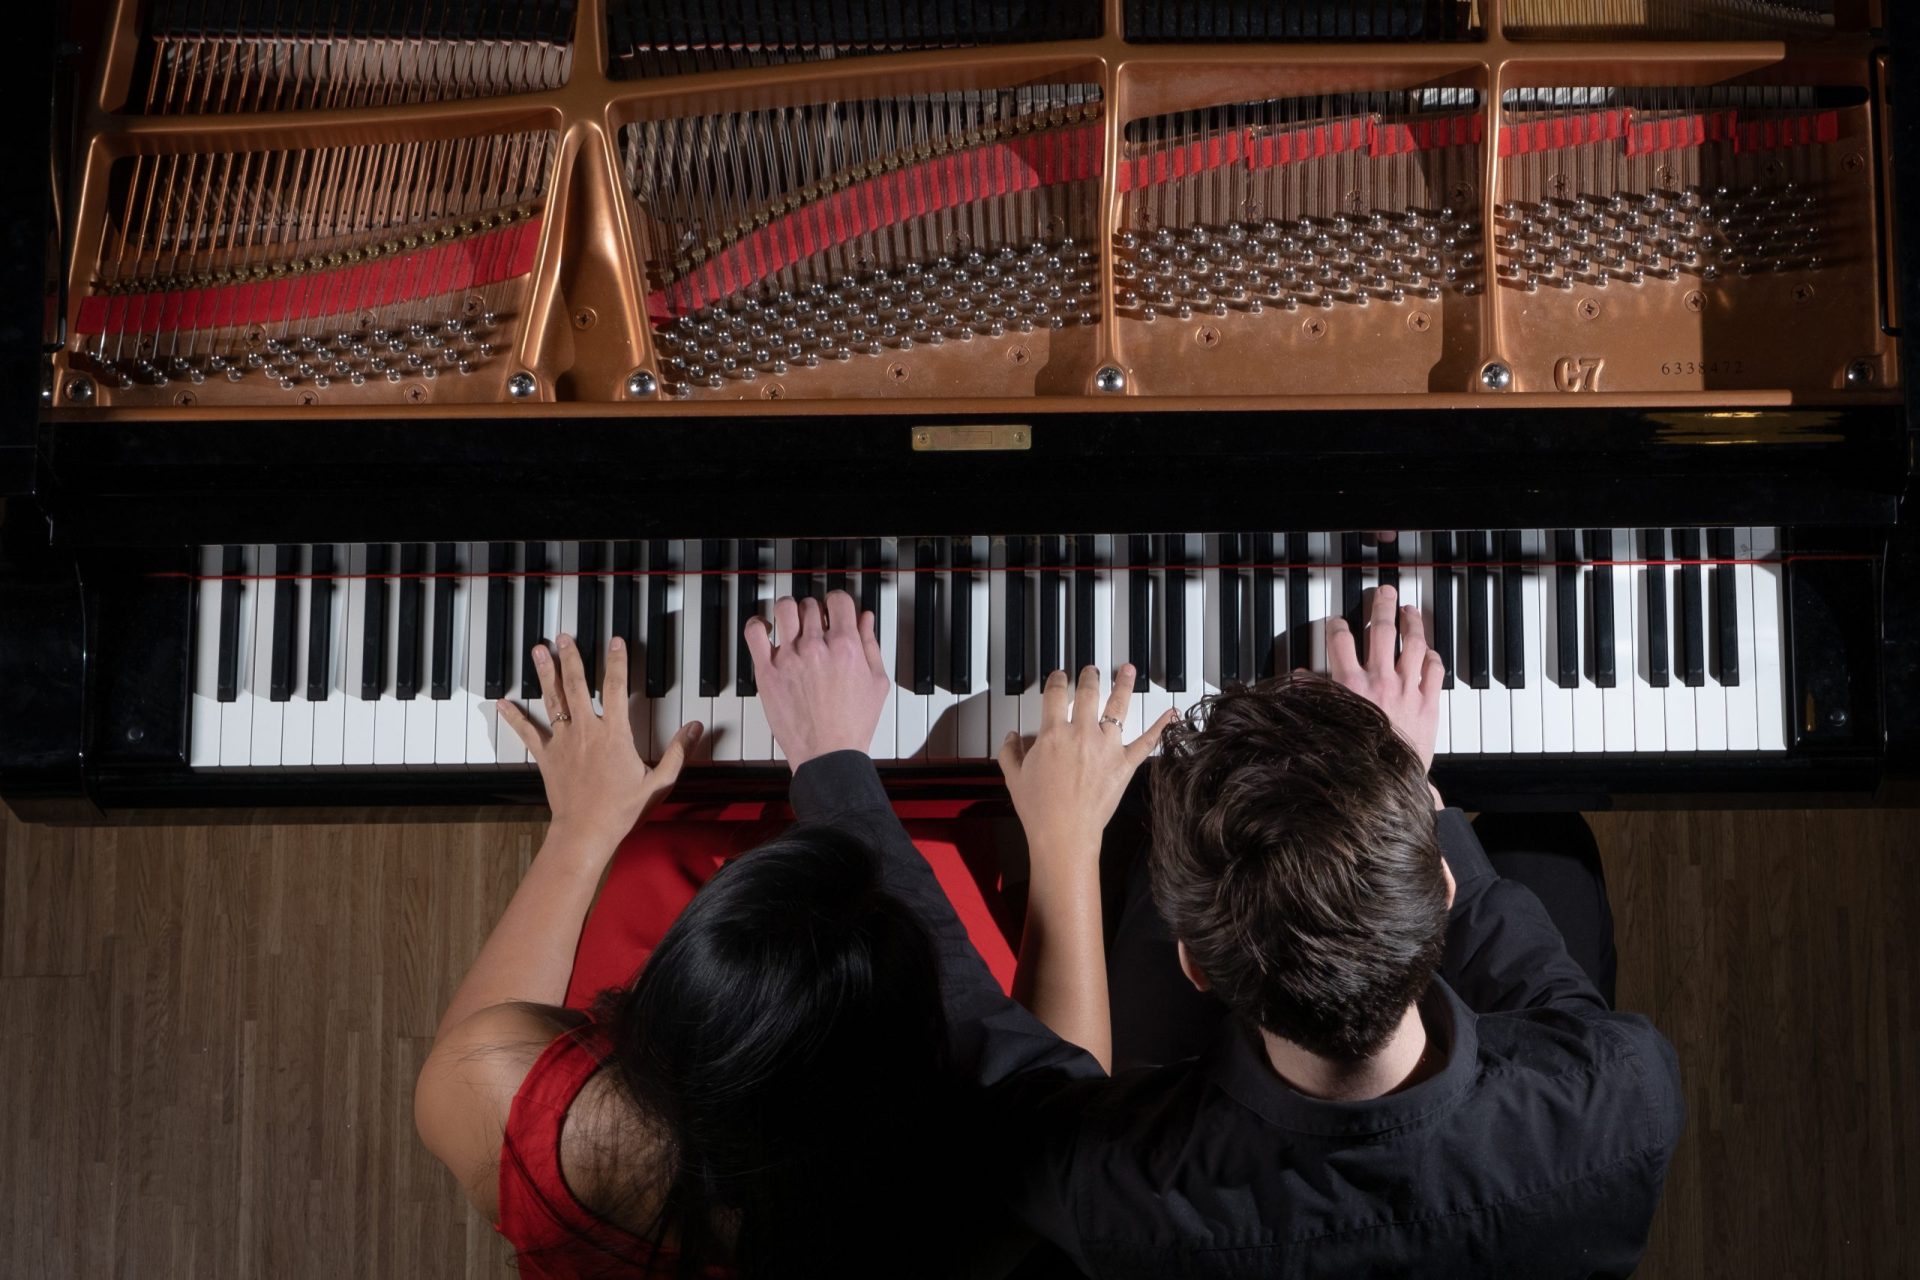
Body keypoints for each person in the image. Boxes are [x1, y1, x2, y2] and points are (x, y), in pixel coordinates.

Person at [413, 591, 1128, 1278]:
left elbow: (469, 1046)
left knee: (656, 854)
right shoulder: (975, 1216)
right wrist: (1067, 845)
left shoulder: (497, 1099)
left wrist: (580, 828)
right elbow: (1063, 1090)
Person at [988, 584, 1686, 1277]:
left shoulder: (1125, 1197)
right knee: (1547, 834)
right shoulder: (1628, 1097)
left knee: (1151, 856)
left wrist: (1064, 841)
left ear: (1197, 970)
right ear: (1441, 887)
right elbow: (1559, 1012)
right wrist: (1400, 784)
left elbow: (1041, 1105)